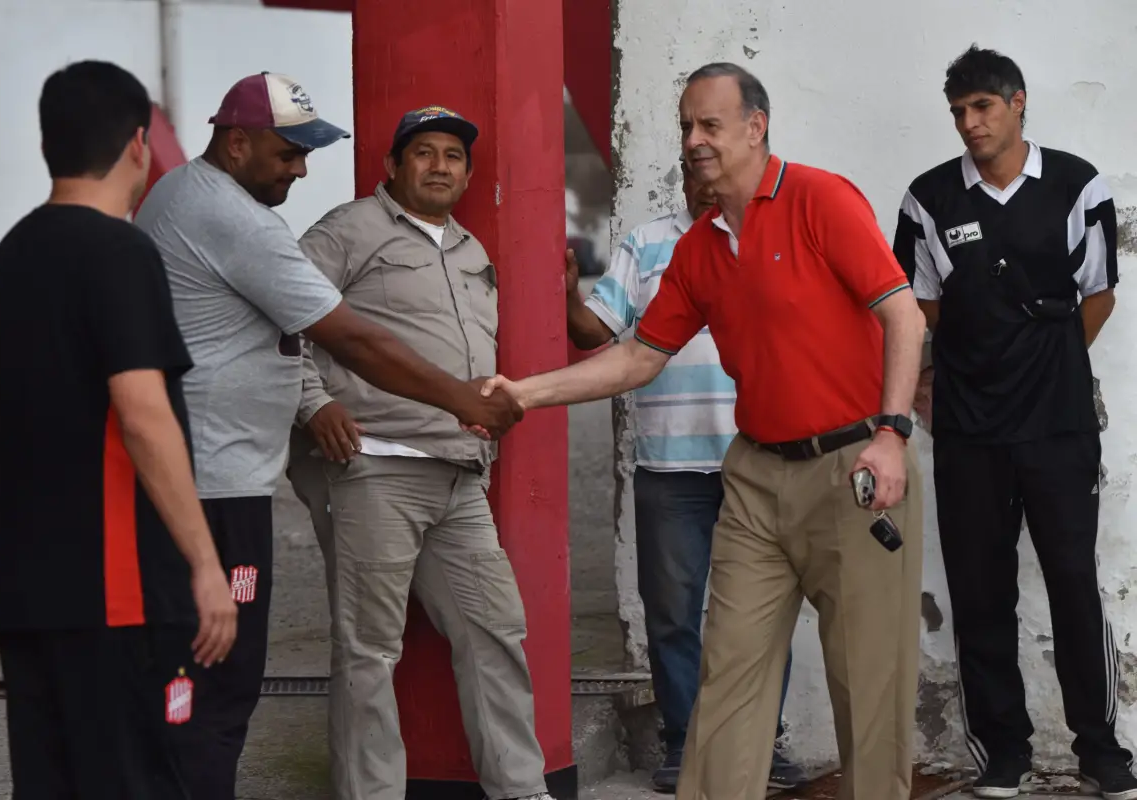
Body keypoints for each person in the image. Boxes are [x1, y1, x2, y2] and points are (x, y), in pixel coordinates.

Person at [481, 62, 929, 800]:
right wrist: (523, 393)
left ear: (756, 127)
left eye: (709, 125)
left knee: (867, 679)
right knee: (728, 676)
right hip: (754, 474)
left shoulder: (820, 198)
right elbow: (636, 357)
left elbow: (902, 315)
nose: (693, 139)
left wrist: (892, 435)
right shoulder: (697, 249)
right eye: (686, 125)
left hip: (853, 465)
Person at [134, 78, 522, 799]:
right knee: (223, 672)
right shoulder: (255, 222)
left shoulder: (184, 195)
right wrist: (442, 401)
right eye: (288, 154)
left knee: (198, 670)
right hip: (243, 479)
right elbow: (342, 337)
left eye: (453, 156)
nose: (301, 170)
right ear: (237, 143)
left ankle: (522, 788)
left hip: (262, 473)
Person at [0, 60, 237, 799]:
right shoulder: (119, 252)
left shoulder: (10, 257)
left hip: (25, 588)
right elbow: (144, 414)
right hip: (114, 589)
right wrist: (205, 563)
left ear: (47, 145)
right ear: (137, 145)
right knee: (134, 778)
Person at [285, 105, 552, 800]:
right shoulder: (349, 231)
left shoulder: (471, 250)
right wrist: (314, 404)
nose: (439, 166)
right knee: (369, 649)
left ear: (467, 173)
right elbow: (280, 320)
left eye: (453, 156)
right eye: (424, 152)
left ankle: (522, 791)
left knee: (495, 631)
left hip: (460, 476)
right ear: (393, 166)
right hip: (375, 467)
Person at [892, 45, 1134, 800]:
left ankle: (1101, 750)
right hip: (969, 428)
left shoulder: (1076, 184)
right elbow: (919, 308)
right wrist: (960, 373)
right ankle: (1002, 751)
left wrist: (1043, 364)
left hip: (1059, 423)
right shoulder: (929, 198)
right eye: (958, 112)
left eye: (983, 107)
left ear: (1017, 102)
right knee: (979, 590)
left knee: (1073, 582)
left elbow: (1099, 295)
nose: (970, 123)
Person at [565, 157, 805, 793]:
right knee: (673, 613)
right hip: (669, 467)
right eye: (696, 171)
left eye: (718, 170)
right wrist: (566, 294)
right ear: (683, 176)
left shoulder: (771, 236)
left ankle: (763, 743)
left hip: (758, 460)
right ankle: (684, 742)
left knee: (763, 612)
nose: (708, 184)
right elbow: (595, 330)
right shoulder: (646, 244)